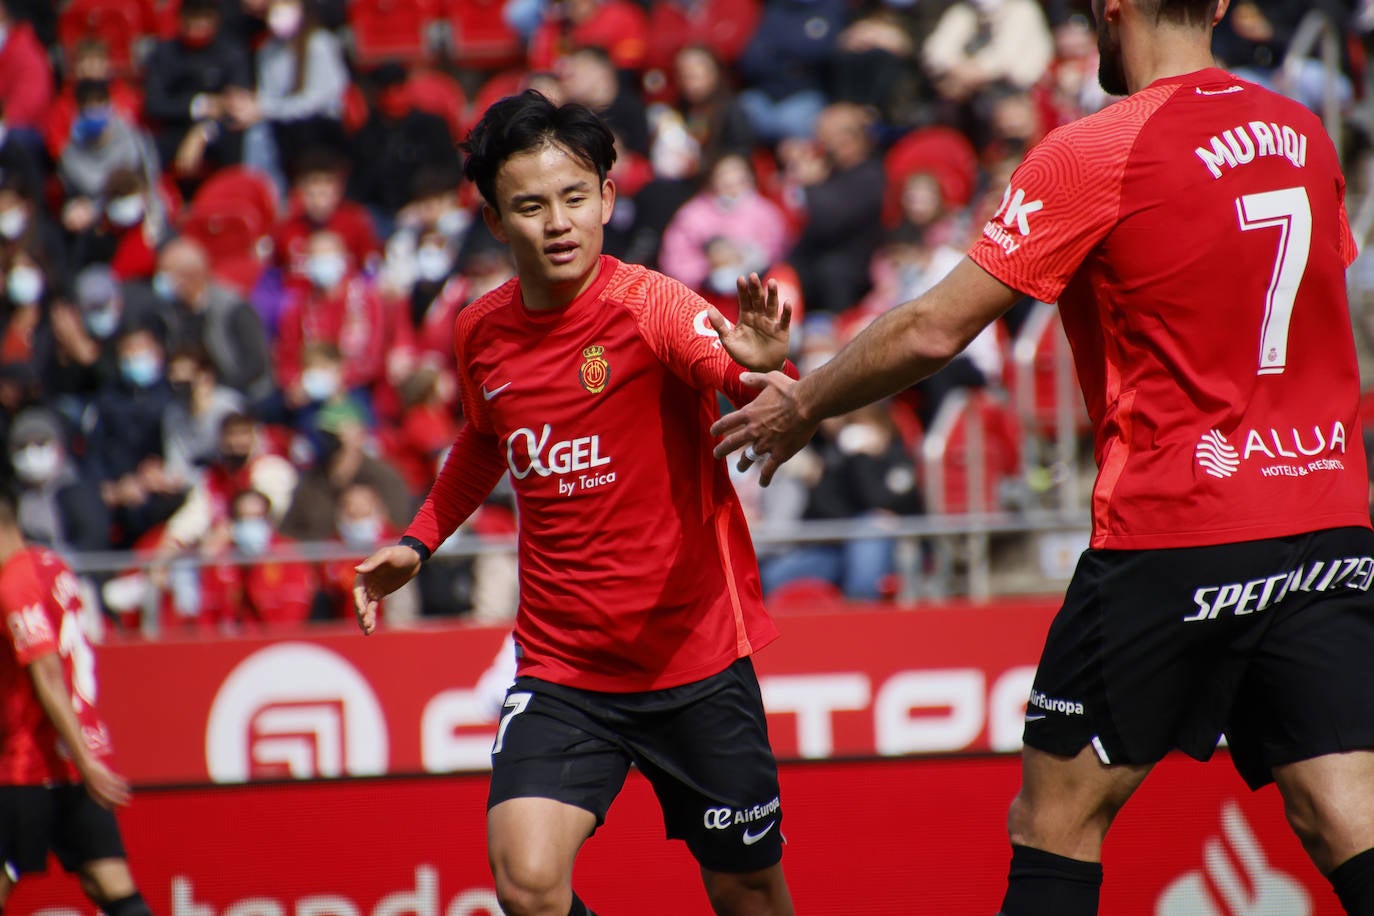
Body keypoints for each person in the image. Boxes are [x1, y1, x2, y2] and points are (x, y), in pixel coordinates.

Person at [712, 2, 1374, 915]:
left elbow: (934, 325)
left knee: (1055, 819)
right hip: (1326, 521)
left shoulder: (1097, 149)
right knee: (1345, 813)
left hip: (1177, 527)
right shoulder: (1302, 132)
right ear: (1219, 5)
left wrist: (804, 403)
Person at [353, 90, 797, 916]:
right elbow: (485, 439)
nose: (557, 222)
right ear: (493, 220)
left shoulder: (654, 305)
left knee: (748, 894)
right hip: (565, 668)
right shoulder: (480, 330)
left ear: (608, 199)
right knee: (525, 881)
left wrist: (763, 366)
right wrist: (416, 543)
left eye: (574, 197)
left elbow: (751, 379)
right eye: (529, 205)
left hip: (693, 661)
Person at [0, 485, 150, 916]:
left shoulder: (14, 583)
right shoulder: (52, 566)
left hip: (30, 762)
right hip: (75, 754)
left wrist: (84, 760)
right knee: (111, 884)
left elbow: (46, 672)